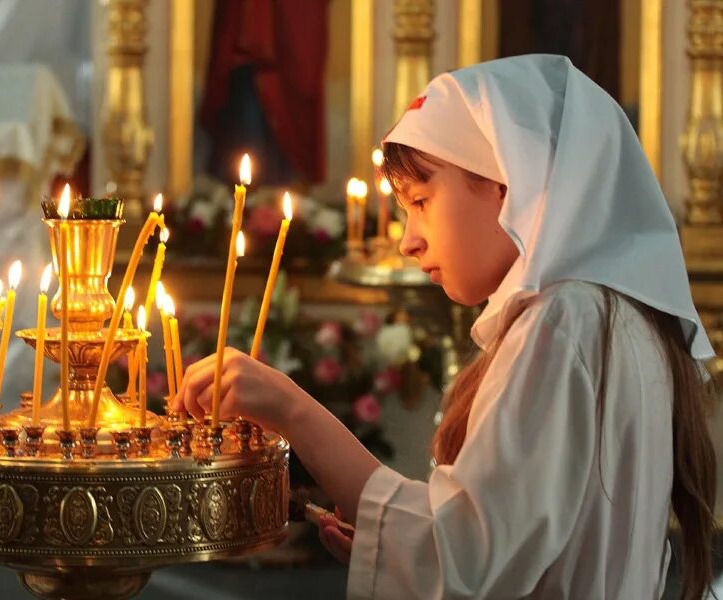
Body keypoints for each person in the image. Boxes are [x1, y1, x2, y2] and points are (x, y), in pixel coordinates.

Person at [171, 54, 718, 599]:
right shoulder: (616, 316)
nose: (409, 239)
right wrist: (393, 538)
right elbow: (513, 539)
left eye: (421, 201)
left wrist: (293, 411)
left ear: (509, 184)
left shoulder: (564, 322)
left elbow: (464, 561)